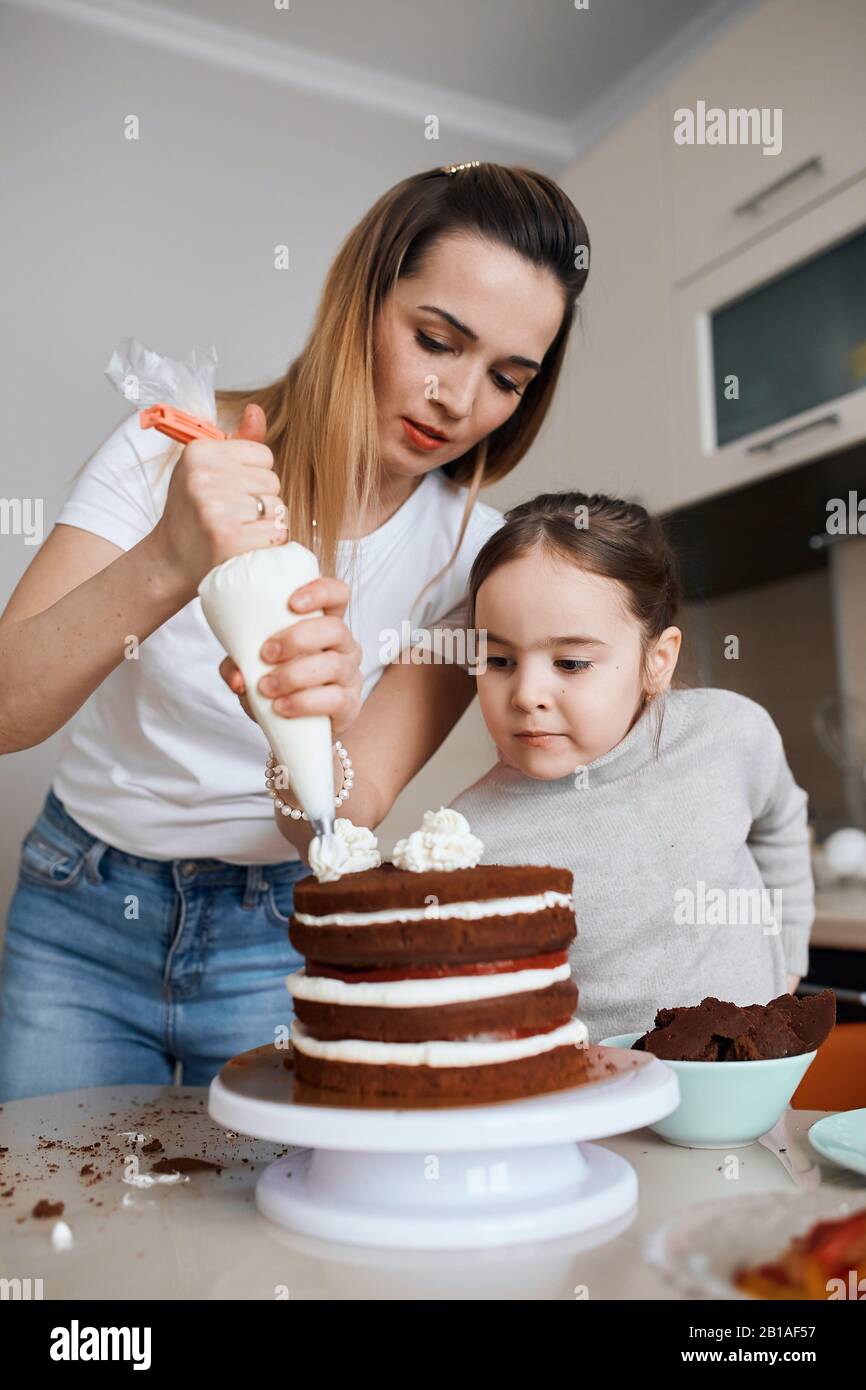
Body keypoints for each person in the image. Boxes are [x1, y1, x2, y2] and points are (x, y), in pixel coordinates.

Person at [0, 162, 590, 1098]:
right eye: (437, 339)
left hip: (272, 930)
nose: (458, 399)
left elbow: (332, 822)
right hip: (79, 915)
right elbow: (7, 712)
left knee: (266, 1230)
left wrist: (307, 732)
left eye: (507, 379)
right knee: (56, 1229)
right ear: (362, 295)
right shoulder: (170, 451)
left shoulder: (471, 561)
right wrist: (169, 558)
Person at [277, 491, 812, 1044]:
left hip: (753, 1088)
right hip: (595, 1110)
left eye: (571, 662)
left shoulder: (730, 734)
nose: (527, 693)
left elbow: (781, 824)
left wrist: (788, 956)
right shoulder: (465, 842)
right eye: (499, 660)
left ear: (658, 660)